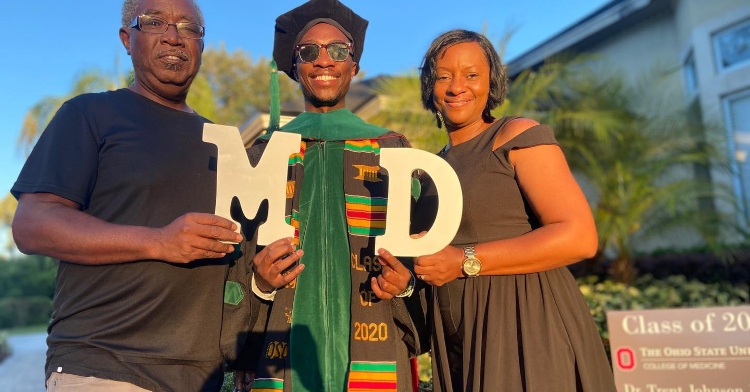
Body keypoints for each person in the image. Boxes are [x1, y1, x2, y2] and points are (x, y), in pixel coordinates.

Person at [10, 0, 259, 390]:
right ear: (128, 39)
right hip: (105, 364)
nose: (174, 36)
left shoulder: (224, 143)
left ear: (201, 45)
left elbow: (240, 256)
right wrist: (159, 242)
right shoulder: (91, 114)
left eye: (188, 27)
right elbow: (32, 224)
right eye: (155, 22)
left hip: (201, 376)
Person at [232, 1, 428, 391]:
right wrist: (259, 283)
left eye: (338, 50)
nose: (324, 61)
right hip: (282, 348)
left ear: (354, 66)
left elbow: (425, 252)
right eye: (308, 51)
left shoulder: (392, 151)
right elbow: (233, 259)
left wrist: (406, 285)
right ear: (294, 67)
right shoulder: (263, 155)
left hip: (375, 344)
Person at [413, 29, 617, 391]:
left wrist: (463, 260)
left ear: (492, 82)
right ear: (430, 86)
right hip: (459, 343)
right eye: (444, 76)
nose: (457, 86)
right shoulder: (432, 169)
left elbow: (579, 237)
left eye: (472, 75)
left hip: (528, 328)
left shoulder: (516, 136)